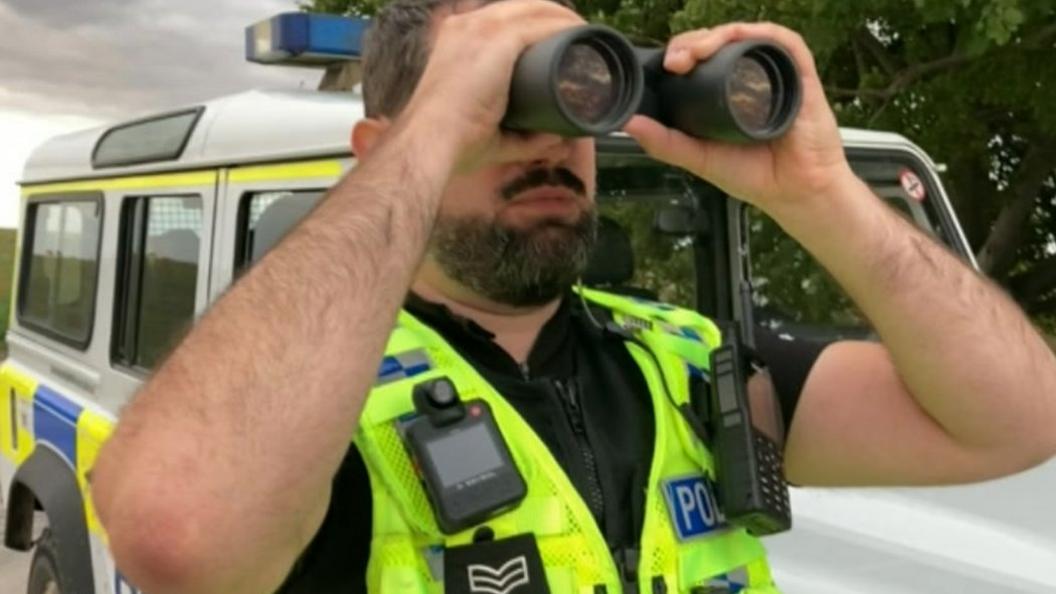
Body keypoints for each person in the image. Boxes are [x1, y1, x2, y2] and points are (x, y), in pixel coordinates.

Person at [89, 0, 1056, 592]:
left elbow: (1015, 418)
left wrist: (821, 192)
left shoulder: (684, 359)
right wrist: (427, 137)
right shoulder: (310, 401)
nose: (547, 142)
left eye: (569, 102)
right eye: (498, 109)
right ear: (388, 152)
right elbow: (178, 538)